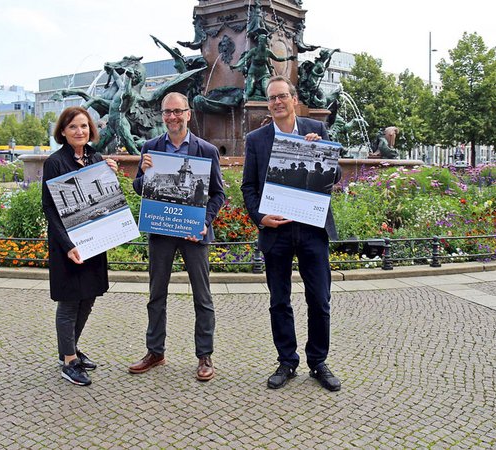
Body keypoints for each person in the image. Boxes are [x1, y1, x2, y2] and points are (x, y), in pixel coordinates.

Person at [241, 76, 342, 391]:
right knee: (279, 301)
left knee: (320, 300)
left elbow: (335, 174)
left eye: (282, 96)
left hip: (312, 228)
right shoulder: (256, 139)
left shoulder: (317, 129)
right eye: (271, 98)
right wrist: (260, 218)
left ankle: (318, 362)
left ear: (294, 99)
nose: (277, 103)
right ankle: (287, 361)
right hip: (277, 230)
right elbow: (249, 186)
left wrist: (319, 151)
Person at [129, 92, 225, 381]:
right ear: (162, 115)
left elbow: (218, 194)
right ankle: (155, 351)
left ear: (188, 114)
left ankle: (204, 355)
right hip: (161, 231)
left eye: (177, 111)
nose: (172, 116)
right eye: (167, 112)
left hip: (195, 233)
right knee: (156, 294)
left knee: (202, 296)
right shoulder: (151, 147)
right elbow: (138, 188)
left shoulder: (206, 150)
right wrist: (143, 175)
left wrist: (206, 222)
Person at [41, 106, 118, 386]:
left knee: (88, 298)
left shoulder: (96, 159)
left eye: (84, 126)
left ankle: (70, 348)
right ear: (63, 131)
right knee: (70, 301)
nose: (79, 131)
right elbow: (49, 208)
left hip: (94, 241)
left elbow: (107, 201)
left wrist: (111, 174)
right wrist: (68, 244)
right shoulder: (55, 163)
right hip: (68, 245)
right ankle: (69, 361)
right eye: (73, 127)